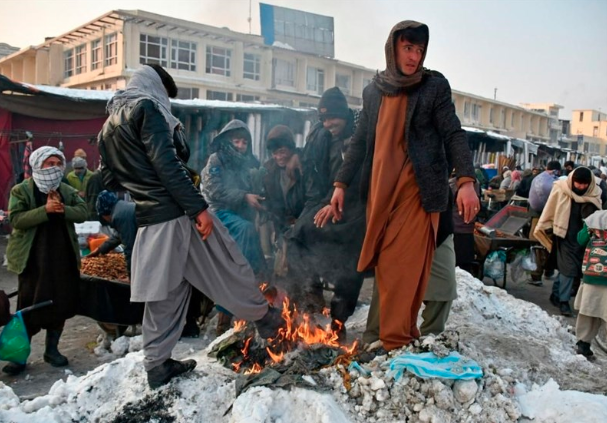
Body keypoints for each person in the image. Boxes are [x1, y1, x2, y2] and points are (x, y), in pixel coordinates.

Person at [98, 64, 283, 389]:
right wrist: (198, 208)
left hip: (150, 220)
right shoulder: (147, 108)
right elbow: (167, 164)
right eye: (165, 94)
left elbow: (112, 178)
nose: (165, 101)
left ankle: (156, 364)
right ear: (155, 86)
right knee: (225, 263)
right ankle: (266, 319)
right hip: (176, 212)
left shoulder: (108, 128)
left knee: (167, 293)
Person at [330, 21, 478, 351]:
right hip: (383, 198)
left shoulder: (433, 87)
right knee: (391, 273)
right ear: (393, 48)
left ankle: (413, 341)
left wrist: (466, 180)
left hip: (422, 195)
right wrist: (340, 184)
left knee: (430, 281)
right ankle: (382, 340)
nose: (414, 56)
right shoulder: (374, 92)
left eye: (420, 50)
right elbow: (359, 142)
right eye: (408, 48)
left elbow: (454, 133)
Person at [287, 87, 367, 342]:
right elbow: (315, 183)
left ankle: (338, 321)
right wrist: (321, 204)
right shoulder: (320, 138)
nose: (328, 123)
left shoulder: (361, 135)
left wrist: (338, 202)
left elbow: (365, 181)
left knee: (348, 264)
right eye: (323, 119)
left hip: (355, 212)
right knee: (295, 237)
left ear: (343, 114)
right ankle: (310, 302)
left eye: (332, 117)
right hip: (324, 204)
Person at [4, 146, 87, 375]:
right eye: (49, 164)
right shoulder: (21, 191)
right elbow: (17, 219)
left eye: (58, 164)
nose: (54, 168)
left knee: (58, 304)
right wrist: (45, 209)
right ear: (38, 165)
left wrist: (62, 210)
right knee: (27, 307)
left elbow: (83, 212)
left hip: (61, 258)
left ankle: (52, 350)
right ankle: (19, 357)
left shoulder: (66, 190)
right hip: (33, 260)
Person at [363, 200, 459, 346]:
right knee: (389, 285)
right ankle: (375, 339)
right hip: (398, 220)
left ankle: (430, 339)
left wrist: (466, 182)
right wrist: (341, 186)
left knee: (445, 285)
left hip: (437, 221)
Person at [534, 167, 601, 316]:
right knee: (569, 269)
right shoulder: (561, 188)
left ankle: (556, 294)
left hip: (584, 239)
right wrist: (547, 226)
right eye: (578, 183)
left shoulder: (595, 193)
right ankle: (564, 302)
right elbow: (550, 208)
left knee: (572, 270)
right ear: (572, 181)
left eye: (585, 184)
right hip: (564, 236)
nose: (581, 187)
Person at [574, 210, 607, 360]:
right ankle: (583, 345)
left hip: (591, 276)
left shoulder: (594, 218)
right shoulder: (596, 218)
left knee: (588, 311)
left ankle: (583, 344)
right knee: (592, 312)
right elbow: (580, 240)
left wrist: (590, 228)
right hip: (598, 279)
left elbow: (580, 240)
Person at [86, 190, 137, 276]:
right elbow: (117, 236)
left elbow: (130, 249)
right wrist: (100, 249)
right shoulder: (121, 207)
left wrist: (131, 277)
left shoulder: (119, 216)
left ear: (104, 214)